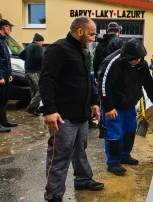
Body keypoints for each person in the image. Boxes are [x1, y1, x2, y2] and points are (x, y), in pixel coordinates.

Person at [39, 17, 104, 202]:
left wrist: (94, 102)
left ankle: (83, 180)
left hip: (82, 114)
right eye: (91, 33)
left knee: (80, 150)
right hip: (63, 116)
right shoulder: (58, 49)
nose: (93, 37)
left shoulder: (84, 51)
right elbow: (46, 79)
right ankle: (54, 195)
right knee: (59, 156)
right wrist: (49, 110)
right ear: (79, 31)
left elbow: (87, 80)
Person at [97, 38, 153, 176]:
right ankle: (113, 162)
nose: (138, 61)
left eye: (140, 59)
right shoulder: (112, 63)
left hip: (129, 104)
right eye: (135, 59)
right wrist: (108, 107)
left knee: (130, 130)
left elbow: (148, 82)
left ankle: (124, 155)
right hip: (114, 106)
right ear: (127, 56)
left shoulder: (141, 64)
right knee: (115, 134)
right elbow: (103, 86)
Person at [0, 19, 18, 133]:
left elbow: (6, 59)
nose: (11, 30)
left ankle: (3, 121)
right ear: (4, 27)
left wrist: (9, 74)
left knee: (4, 98)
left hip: (5, 74)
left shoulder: (3, 40)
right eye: (9, 27)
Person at [19, 33, 44, 116]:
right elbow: (40, 58)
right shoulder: (37, 47)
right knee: (40, 90)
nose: (42, 44)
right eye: (42, 42)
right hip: (35, 71)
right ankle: (32, 107)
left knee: (34, 90)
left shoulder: (28, 46)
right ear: (39, 41)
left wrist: (28, 60)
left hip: (27, 71)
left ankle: (34, 108)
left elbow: (21, 55)